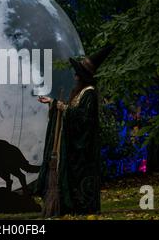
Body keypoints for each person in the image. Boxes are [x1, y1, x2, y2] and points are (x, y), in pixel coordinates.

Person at [36, 45, 114, 215]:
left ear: (83, 77)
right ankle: (70, 206)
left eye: (78, 73)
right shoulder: (79, 92)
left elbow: (84, 119)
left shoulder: (89, 94)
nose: (75, 76)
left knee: (80, 179)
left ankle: (81, 207)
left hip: (83, 149)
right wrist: (53, 102)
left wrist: (60, 106)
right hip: (73, 146)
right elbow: (72, 112)